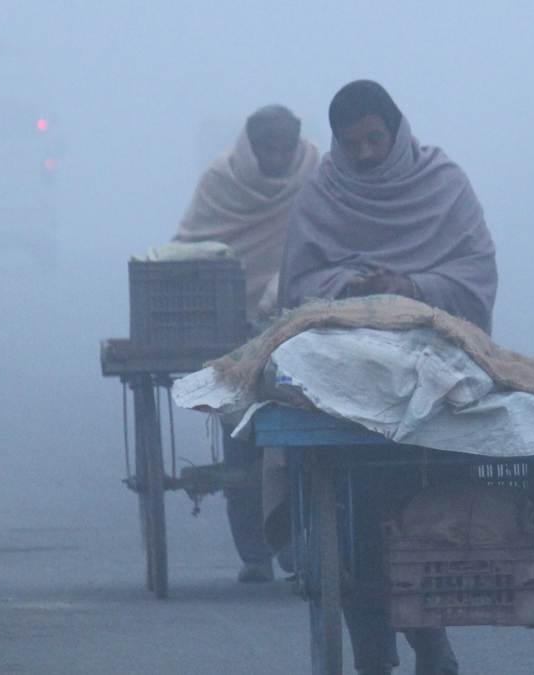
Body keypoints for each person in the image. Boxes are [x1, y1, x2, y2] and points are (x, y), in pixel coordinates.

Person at [278, 79, 498, 675]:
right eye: (354, 145)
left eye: (377, 139)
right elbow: (297, 287)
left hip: (435, 384)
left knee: (424, 521)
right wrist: (347, 288)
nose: (368, 153)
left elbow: (475, 276)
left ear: (397, 131)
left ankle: (430, 641)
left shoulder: (444, 184)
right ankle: (373, 652)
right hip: (346, 388)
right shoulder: (322, 194)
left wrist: (412, 287)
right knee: (350, 528)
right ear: (338, 146)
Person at [175, 104, 320, 581]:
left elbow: (323, 240)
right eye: (267, 148)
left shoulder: (315, 172)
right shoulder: (221, 179)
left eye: (286, 147)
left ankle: (295, 544)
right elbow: (193, 242)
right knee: (242, 437)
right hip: (228, 326)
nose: (278, 157)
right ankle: (255, 552)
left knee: (301, 438)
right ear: (249, 146)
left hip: (296, 322)